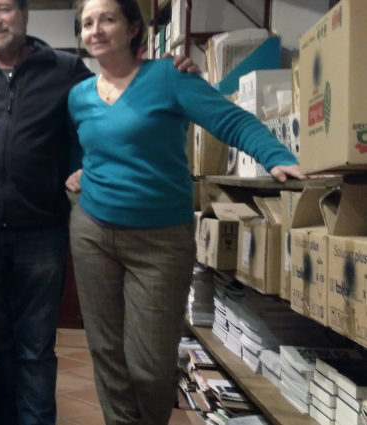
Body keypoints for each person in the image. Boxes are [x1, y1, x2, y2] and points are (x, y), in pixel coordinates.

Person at [0, 0, 198, 423]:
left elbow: (114, 98)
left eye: (4, 9)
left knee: (36, 349)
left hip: (42, 232)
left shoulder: (64, 70)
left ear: (24, 14)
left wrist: (167, 75)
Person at [65, 0, 303, 423]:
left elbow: (229, 119)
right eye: (87, 23)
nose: (95, 29)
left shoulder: (169, 78)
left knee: (151, 365)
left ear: (133, 27)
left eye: (107, 18)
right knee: (106, 350)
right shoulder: (79, 96)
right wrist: (78, 171)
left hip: (159, 239)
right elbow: (89, 146)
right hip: (92, 231)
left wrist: (276, 155)